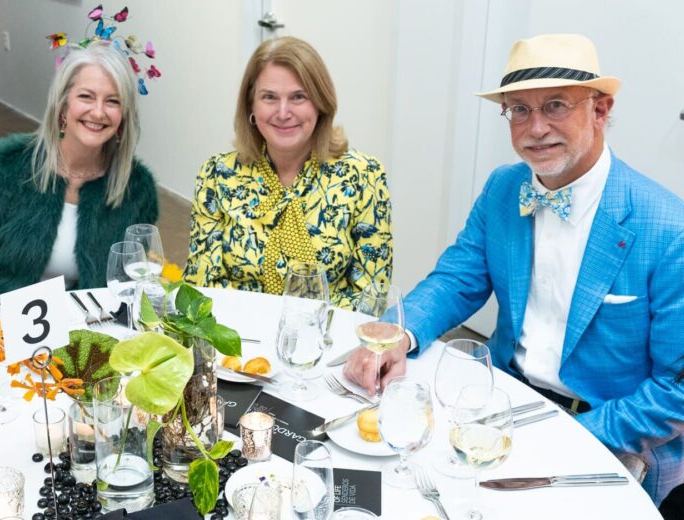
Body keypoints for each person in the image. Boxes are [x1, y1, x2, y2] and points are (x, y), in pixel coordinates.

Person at [344, 34, 684, 503]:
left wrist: (570, 434)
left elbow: (676, 391)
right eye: (519, 109)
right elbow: (458, 279)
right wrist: (399, 333)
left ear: (601, 110)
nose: (535, 127)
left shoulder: (669, 227)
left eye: (557, 105)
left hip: (610, 438)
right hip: (501, 406)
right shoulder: (505, 188)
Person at [0, 41, 158, 325]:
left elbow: (129, 284)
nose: (98, 112)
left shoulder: (137, 189)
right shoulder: (1, 167)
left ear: (123, 115)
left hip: (73, 332)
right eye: (86, 97)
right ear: (63, 104)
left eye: (113, 101)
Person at [183, 36, 392, 309]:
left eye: (298, 97)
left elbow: (370, 297)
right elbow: (201, 288)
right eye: (269, 97)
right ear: (251, 107)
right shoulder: (217, 175)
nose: (283, 113)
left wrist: (302, 331)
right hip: (239, 341)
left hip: (331, 342)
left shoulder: (364, 176)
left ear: (321, 104)